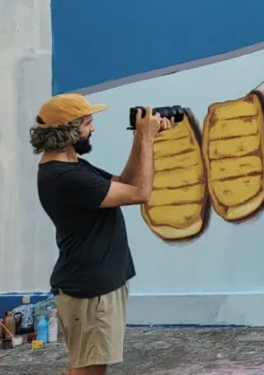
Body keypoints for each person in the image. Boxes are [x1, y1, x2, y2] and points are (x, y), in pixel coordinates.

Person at [31, 94, 172, 375]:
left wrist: (141, 139)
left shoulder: (72, 167)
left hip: (96, 285)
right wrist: (145, 139)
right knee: (90, 370)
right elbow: (140, 193)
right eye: (87, 123)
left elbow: (125, 183)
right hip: (90, 291)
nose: (93, 129)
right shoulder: (65, 177)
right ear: (68, 130)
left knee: (84, 366)